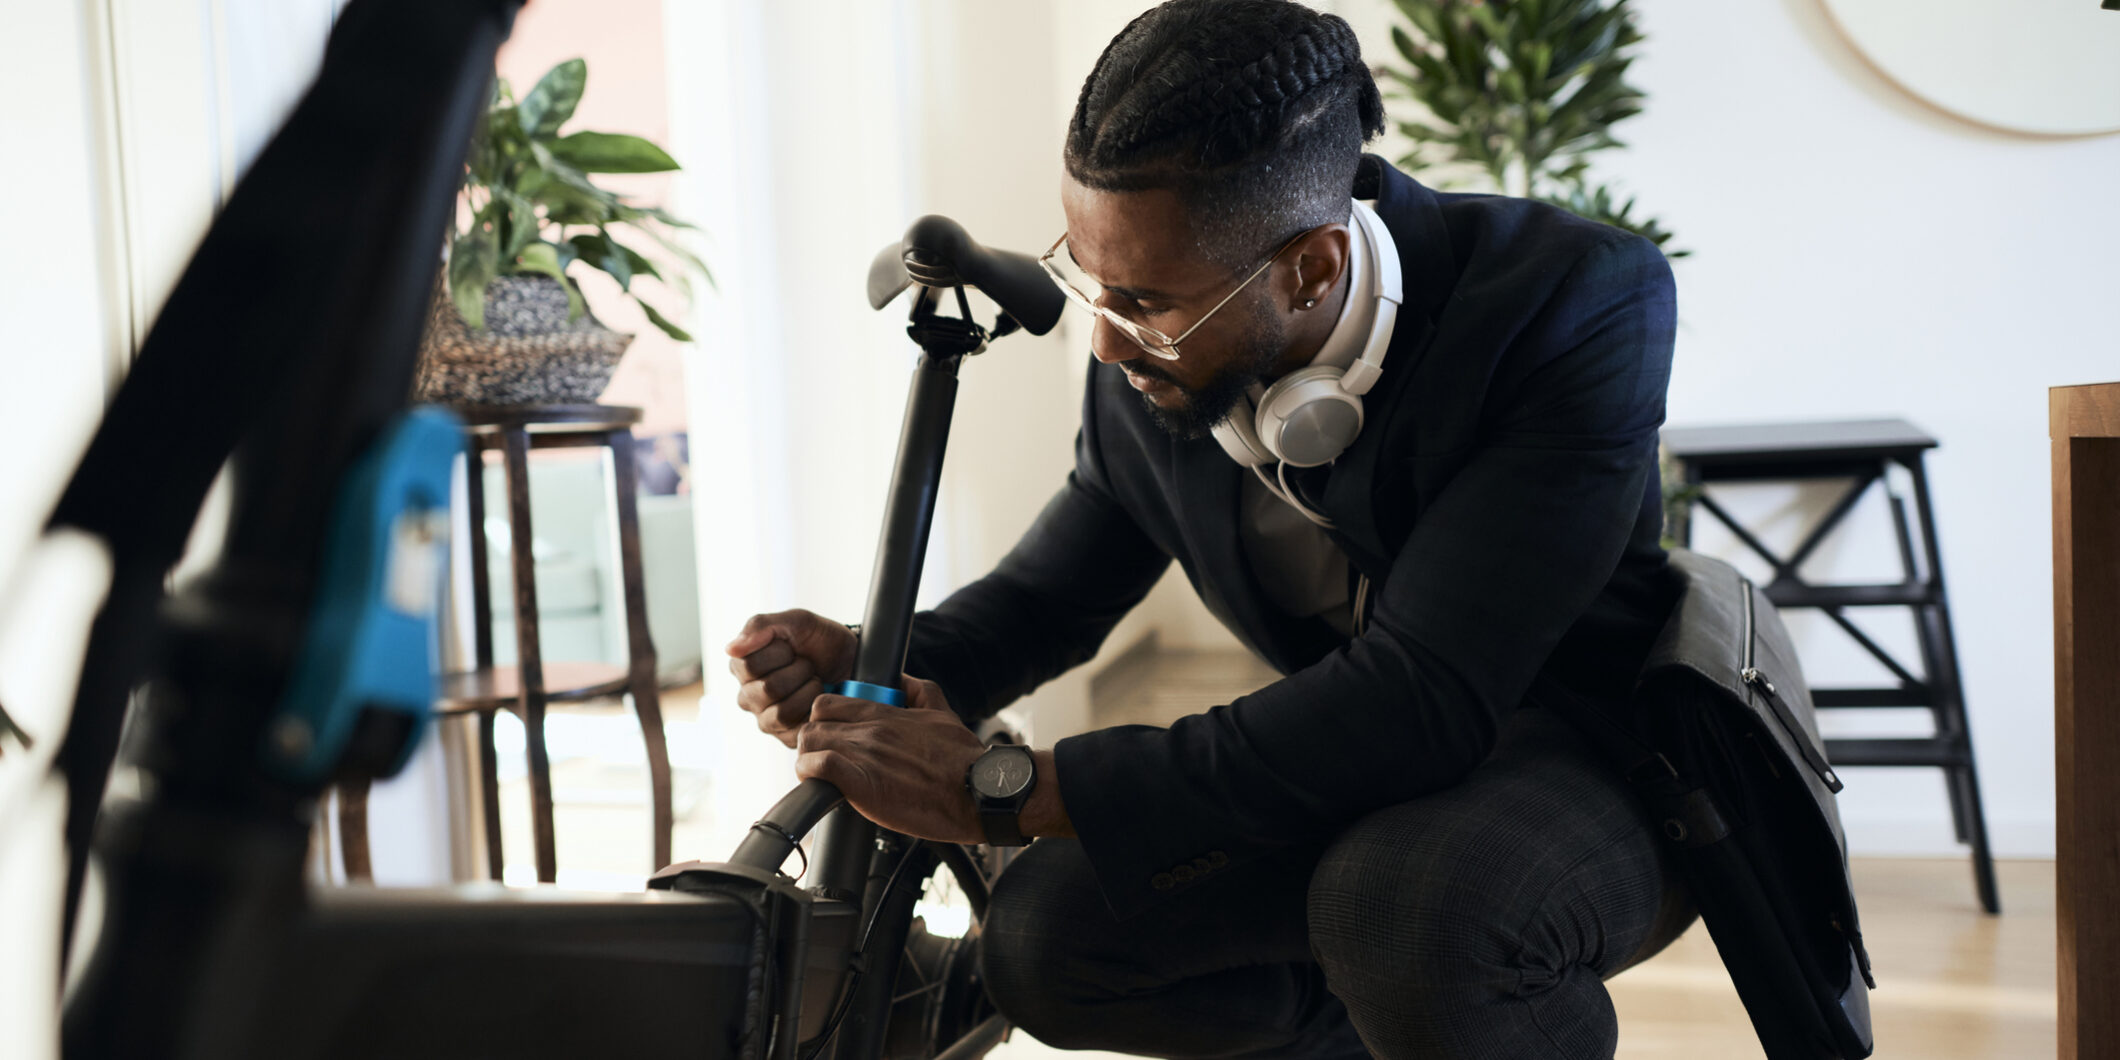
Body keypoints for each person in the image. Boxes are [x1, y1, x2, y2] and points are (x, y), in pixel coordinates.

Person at [725, 1, 1692, 1055]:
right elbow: (1055, 591)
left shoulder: (1570, 300)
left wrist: (1006, 790)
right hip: (1357, 766)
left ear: (1312, 270)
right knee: (1046, 933)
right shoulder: (1157, 350)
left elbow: (1424, 698)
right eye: (1090, 281)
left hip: (1595, 763)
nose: (1102, 339)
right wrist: (876, 663)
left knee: (1404, 910)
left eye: (1139, 301)